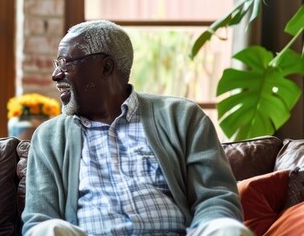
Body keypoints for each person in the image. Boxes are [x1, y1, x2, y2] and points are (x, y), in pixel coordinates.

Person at [21, 20, 252, 236]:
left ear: (106, 67)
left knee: (228, 230)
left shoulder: (182, 117)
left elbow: (216, 196)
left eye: (65, 64)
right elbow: (39, 219)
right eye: (56, 65)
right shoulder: (49, 137)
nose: (56, 75)